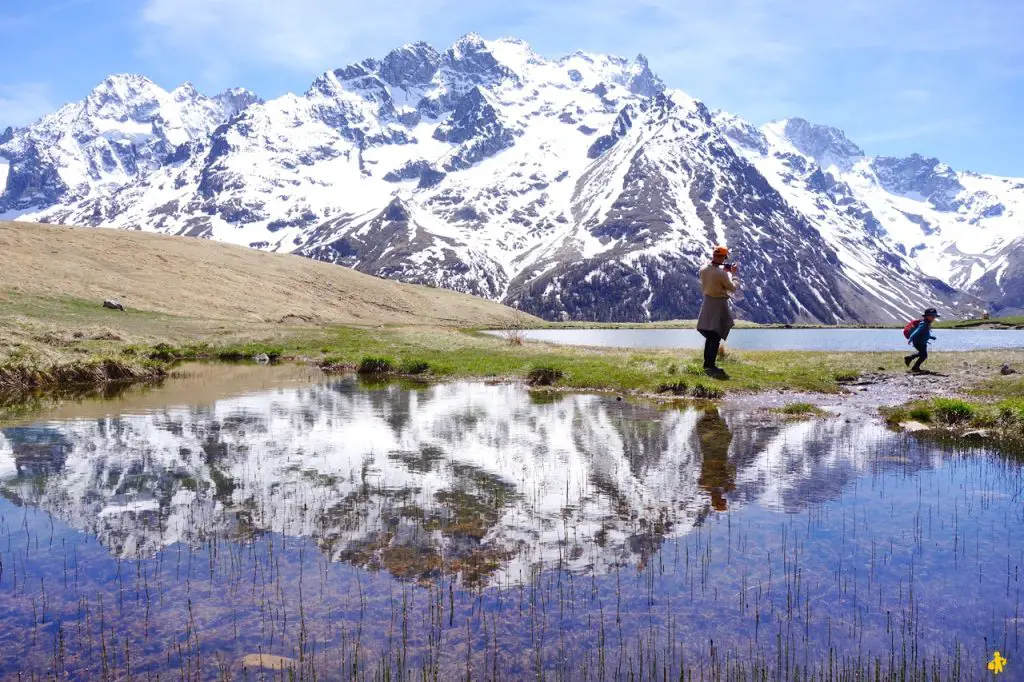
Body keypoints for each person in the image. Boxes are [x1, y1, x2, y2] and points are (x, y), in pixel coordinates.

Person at [697, 246, 739, 378]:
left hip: (707, 303)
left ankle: (707, 364)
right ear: (722, 257)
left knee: (710, 335)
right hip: (718, 304)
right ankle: (710, 366)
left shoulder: (703, 269)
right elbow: (732, 288)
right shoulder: (721, 273)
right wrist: (733, 274)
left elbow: (713, 274)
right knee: (715, 336)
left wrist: (722, 270)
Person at [905, 307, 939, 373]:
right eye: (932, 316)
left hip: (922, 342)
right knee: (924, 355)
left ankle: (909, 358)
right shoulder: (923, 324)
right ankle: (915, 368)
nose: (934, 318)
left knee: (921, 354)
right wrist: (911, 338)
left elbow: (924, 334)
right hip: (919, 342)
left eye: (934, 316)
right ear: (926, 316)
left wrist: (931, 337)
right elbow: (917, 331)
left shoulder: (927, 323)